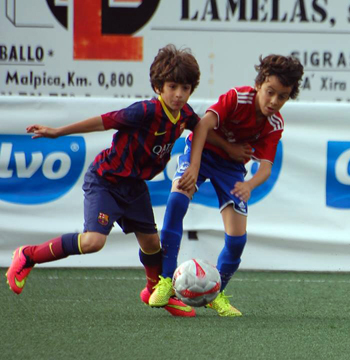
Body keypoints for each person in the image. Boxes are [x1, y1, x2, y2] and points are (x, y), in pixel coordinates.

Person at [5, 44, 201, 317]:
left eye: (186, 88)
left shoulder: (185, 115)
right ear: (158, 86)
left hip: (134, 187)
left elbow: (202, 127)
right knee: (94, 242)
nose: (179, 94)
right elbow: (103, 121)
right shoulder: (144, 111)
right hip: (106, 180)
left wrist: (225, 153)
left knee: (152, 244)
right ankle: (28, 255)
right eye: (172, 86)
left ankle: (154, 291)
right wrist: (58, 132)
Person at [148, 54, 304, 317]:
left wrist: (249, 185)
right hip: (202, 152)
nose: (275, 101)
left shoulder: (275, 123)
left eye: (283, 96)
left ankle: (215, 293)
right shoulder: (237, 98)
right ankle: (165, 281)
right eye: (270, 92)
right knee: (176, 201)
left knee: (237, 239)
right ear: (259, 84)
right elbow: (202, 127)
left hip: (231, 169)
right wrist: (194, 166)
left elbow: (265, 167)